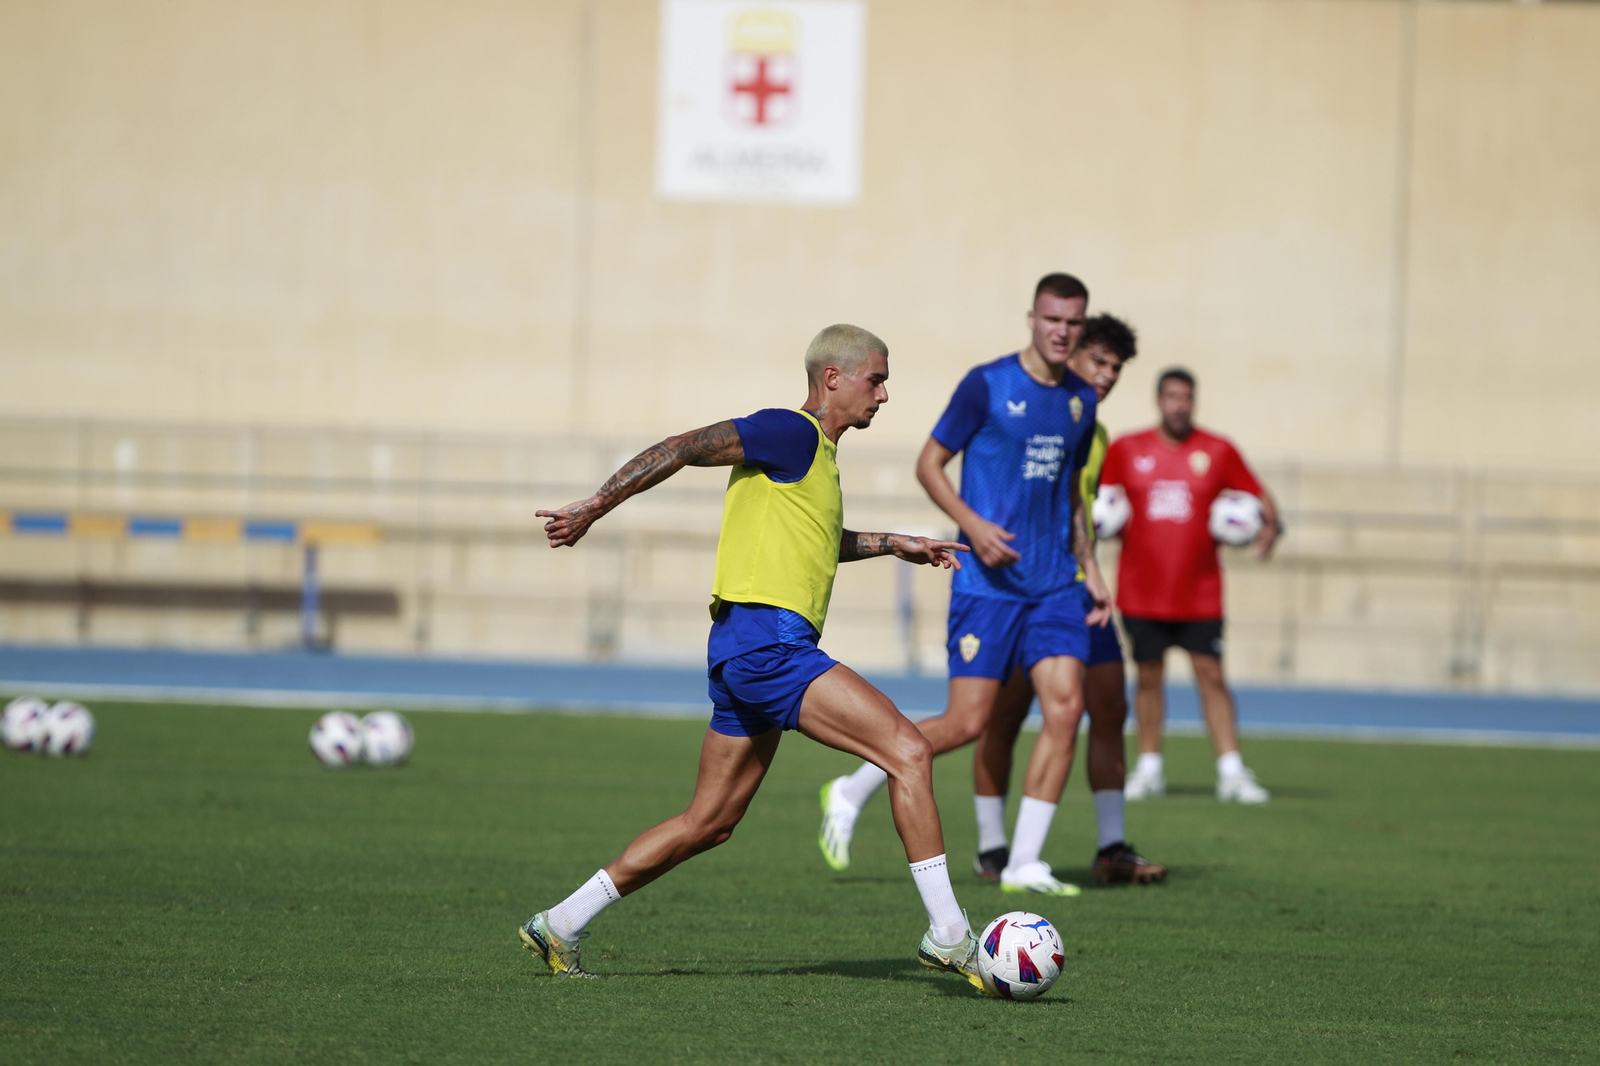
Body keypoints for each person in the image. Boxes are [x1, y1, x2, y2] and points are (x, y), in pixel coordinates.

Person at [523, 324, 992, 993]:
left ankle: (560, 923)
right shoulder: (790, 430)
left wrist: (895, 543)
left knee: (709, 824)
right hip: (770, 646)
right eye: (876, 378)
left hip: (745, 648)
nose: (885, 394)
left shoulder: (818, 457)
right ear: (832, 377)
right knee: (909, 751)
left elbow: (821, 541)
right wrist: (597, 504)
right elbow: (685, 446)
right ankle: (949, 935)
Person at [816, 274, 1108, 897]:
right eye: (1053, 319)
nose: (1063, 331)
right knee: (969, 721)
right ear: (1032, 318)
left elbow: (1072, 498)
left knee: (1067, 709)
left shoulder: (1084, 399)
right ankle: (856, 784)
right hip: (989, 586)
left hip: (1055, 583)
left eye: (1074, 322)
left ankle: (1025, 861)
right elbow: (929, 464)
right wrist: (973, 526)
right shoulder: (988, 384)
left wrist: (1096, 575)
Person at [968, 314, 1168, 885]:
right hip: (1020, 588)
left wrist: (1092, 565)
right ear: (1069, 353)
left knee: (1107, 706)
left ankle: (1110, 847)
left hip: (1077, 588)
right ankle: (993, 847)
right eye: (1097, 361)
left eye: (1115, 368)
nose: (1106, 376)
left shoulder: (1095, 430)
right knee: (997, 717)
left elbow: (1077, 509)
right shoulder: (1024, 406)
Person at [1099, 367, 1281, 804]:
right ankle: (1149, 768)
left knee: (1212, 676)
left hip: (1199, 592)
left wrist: (1272, 525)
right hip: (1141, 591)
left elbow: (1258, 495)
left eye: (1186, 397)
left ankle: (1231, 771)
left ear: (1193, 402)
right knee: (1147, 678)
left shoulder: (1217, 451)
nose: (1179, 405)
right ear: (1158, 400)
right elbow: (1098, 503)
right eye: (1171, 396)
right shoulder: (1127, 448)